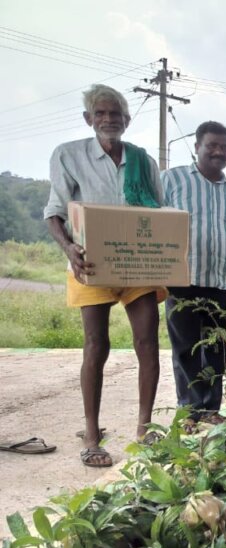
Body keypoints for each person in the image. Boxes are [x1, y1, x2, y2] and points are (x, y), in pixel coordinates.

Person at [43, 84, 164, 467]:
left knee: (148, 342)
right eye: (101, 113)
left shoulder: (143, 161)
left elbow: (158, 214)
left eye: (115, 114)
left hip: (138, 265)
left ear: (126, 120)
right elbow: (54, 212)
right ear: (88, 118)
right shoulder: (69, 155)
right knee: (96, 345)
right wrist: (70, 249)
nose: (108, 119)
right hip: (91, 264)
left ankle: (144, 428)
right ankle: (92, 436)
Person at [162, 121, 226, 425]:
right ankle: (189, 411)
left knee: (217, 348)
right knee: (185, 348)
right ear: (197, 146)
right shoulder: (171, 180)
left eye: (224, 147)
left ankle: (210, 410)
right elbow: (153, 224)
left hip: (221, 284)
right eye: (212, 145)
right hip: (181, 280)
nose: (218, 152)